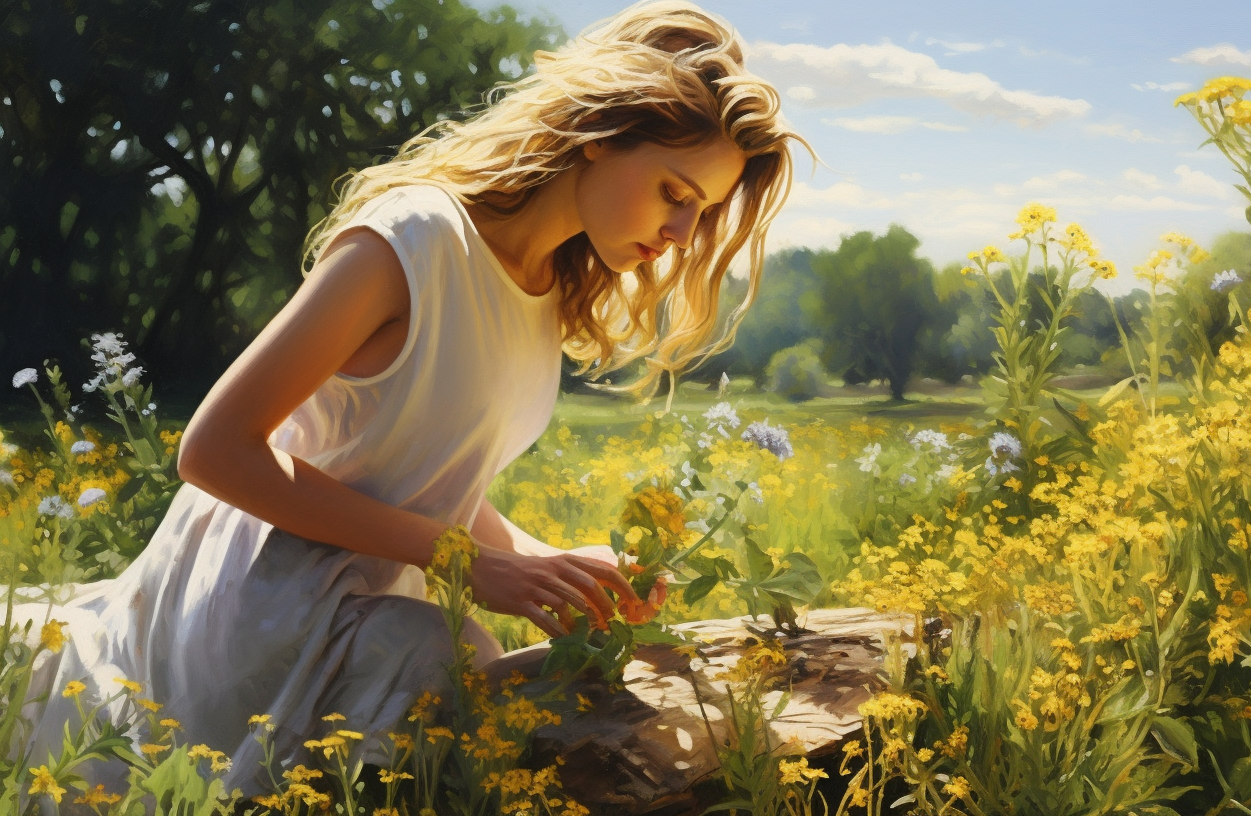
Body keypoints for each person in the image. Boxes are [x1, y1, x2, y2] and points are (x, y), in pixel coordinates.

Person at [15, 0, 806, 801]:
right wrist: (470, 564)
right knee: (442, 658)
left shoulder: (545, 292)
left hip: (361, 600)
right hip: (252, 597)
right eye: (674, 189)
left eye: (698, 210)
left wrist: (552, 568)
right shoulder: (413, 240)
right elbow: (214, 450)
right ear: (600, 134)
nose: (679, 231)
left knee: (494, 670)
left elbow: (426, 478)